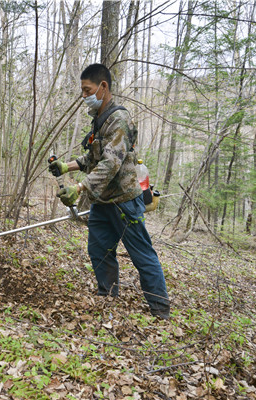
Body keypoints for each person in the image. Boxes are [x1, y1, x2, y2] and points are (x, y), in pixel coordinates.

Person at [49, 63, 170, 319]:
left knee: (142, 256)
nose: (84, 96)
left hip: (125, 202)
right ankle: (108, 299)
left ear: (103, 87)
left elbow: (111, 162)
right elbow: (93, 157)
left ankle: (161, 311)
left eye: (87, 90)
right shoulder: (100, 120)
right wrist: (66, 166)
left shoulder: (120, 119)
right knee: (99, 251)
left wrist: (80, 186)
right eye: (82, 91)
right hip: (103, 202)